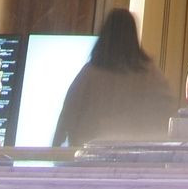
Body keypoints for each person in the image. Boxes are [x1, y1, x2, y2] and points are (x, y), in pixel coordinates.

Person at [51, 10, 174, 150]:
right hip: (135, 153)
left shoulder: (90, 73)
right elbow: (166, 109)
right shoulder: (150, 74)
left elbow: (69, 111)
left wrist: (55, 147)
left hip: (89, 152)